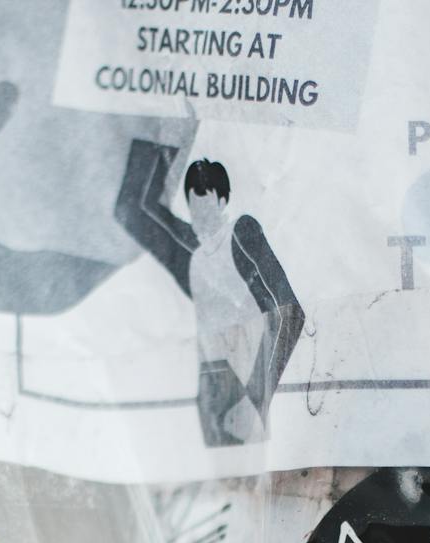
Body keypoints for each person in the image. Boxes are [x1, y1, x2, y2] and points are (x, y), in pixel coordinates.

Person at [115, 140, 304, 447]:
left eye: (206, 201)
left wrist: (255, 398)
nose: (199, 212)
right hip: (210, 390)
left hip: (244, 385)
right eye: (194, 204)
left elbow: (287, 311)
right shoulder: (196, 259)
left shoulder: (241, 233)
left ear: (222, 201)